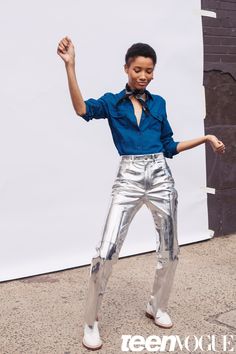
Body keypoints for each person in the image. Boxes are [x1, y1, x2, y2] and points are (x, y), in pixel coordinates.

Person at [57, 36, 225, 350]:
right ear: (127, 69)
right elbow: (81, 109)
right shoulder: (111, 102)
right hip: (129, 177)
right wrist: (71, 67)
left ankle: (157, 306)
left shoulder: (159, 103)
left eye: (149, 70)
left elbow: (168, 146)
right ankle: (91, 321)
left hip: (161, 176)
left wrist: (206, 138)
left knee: (170, 251)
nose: (143, 75)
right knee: (106, 251)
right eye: (137, 69)